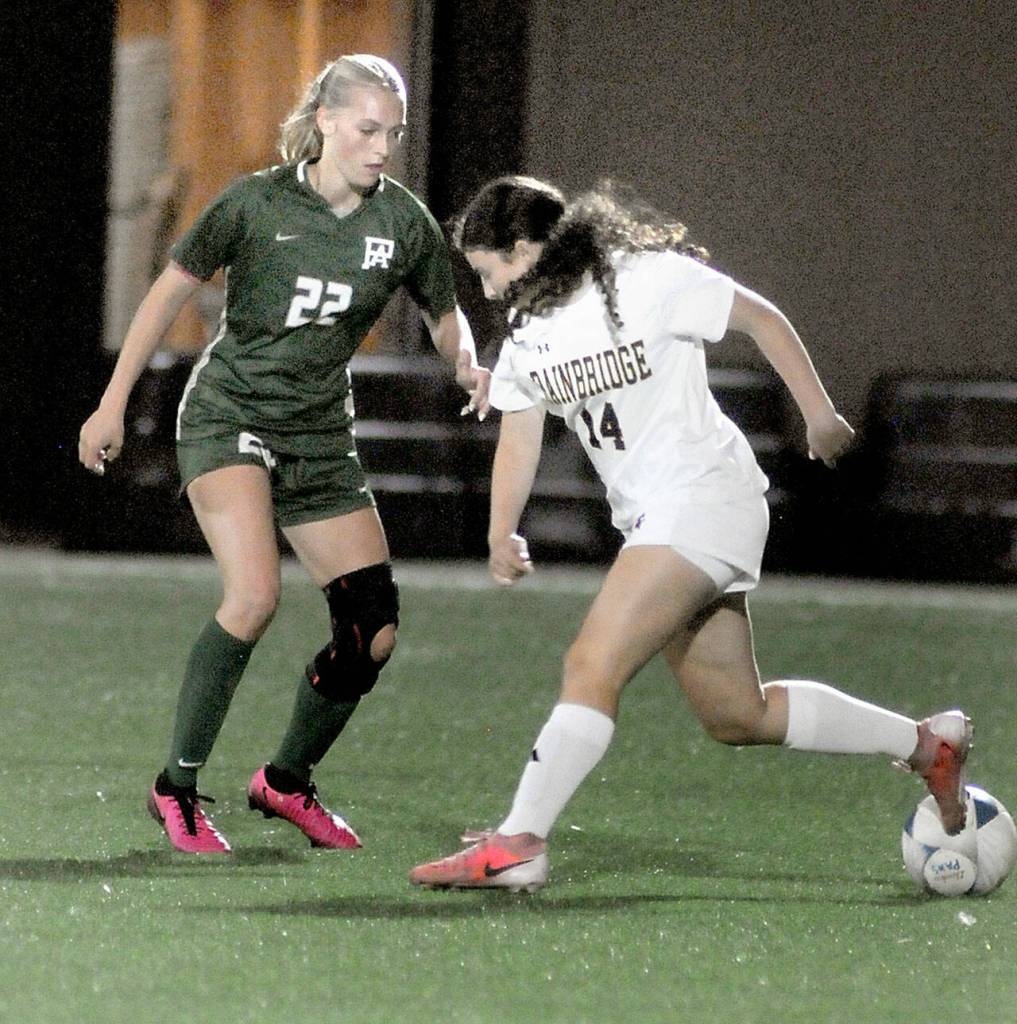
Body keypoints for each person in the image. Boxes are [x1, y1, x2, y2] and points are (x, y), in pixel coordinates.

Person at [408, 175, 971, 892]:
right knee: (738, 714)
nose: (486, 292)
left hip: (704, 496)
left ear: (526, 247)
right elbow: (518, 437)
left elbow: (761, 318)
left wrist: (819, 415)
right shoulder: (526, 335)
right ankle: (927, 746)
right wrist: (498, 535)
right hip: (660, 519)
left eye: (490, 271)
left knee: (590, 664)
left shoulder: (646, 279)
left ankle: (520, 841)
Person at [78, 54, 491, 855]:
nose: (381, 147)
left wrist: (465, 362)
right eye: (367, 128)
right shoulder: (254, 204)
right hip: (228, 415)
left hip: (317, 433)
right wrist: (112, 401)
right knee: (255, 596)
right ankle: (177, 788)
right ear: (327, 120)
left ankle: (285, 781)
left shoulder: (403, 223)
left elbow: (445, 312)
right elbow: (165, 294)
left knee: (372, 631)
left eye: (393, 133)